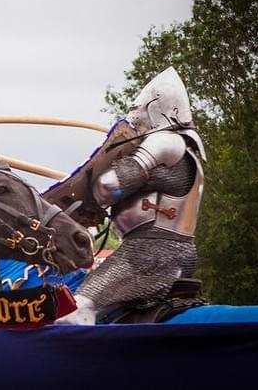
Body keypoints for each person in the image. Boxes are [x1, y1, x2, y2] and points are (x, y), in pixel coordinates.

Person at [57, 67, 205, 325]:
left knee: (73, 313)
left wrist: (92, 191)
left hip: (147, 252)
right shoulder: (187, 149)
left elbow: (108, 186)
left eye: (138, 112)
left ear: (157, 109)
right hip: (172, 252)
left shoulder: (166, 142)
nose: (134, 120)